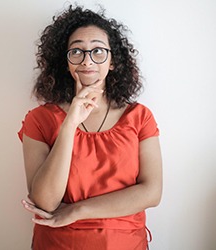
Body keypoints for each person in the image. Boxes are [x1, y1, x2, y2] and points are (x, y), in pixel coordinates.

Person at [18, 4, 162, 250]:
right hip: (58, 244)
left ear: (113, 61)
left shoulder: (139, 117)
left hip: (126, 244)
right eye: (77, 51)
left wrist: (76, 210)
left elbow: (151, 193)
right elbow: (45, 202)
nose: (87, 60)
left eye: (98, 51)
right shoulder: (39, 119)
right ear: (66, 62)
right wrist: (70, 123)